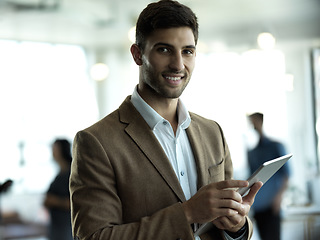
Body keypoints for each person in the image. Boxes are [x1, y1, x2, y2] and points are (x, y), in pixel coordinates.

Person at [70, 1, 262, 239]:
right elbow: (93, 236)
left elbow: (230, 223)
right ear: (137, 54)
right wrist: (187, 213)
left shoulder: (213, 132)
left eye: (187, 51)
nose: (178, 64)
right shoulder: (97, 142)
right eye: (164, 49)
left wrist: (238, 226)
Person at [247, 112, 290, 240]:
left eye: (254, 121)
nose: (252, 125)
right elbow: (252, 180)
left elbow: (286, 176)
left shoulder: (276, 146)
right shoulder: (252, 152)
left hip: (272, 206)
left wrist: (278, 198)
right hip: (258, 207)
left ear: (261, 121)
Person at [44, 139, 73, 240]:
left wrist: (55, 201)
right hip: (56, 227)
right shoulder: (59, 174)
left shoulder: (71, 174)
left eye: (54, 149)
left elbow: (77, 202)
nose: (52, 152)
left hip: (66, 228)